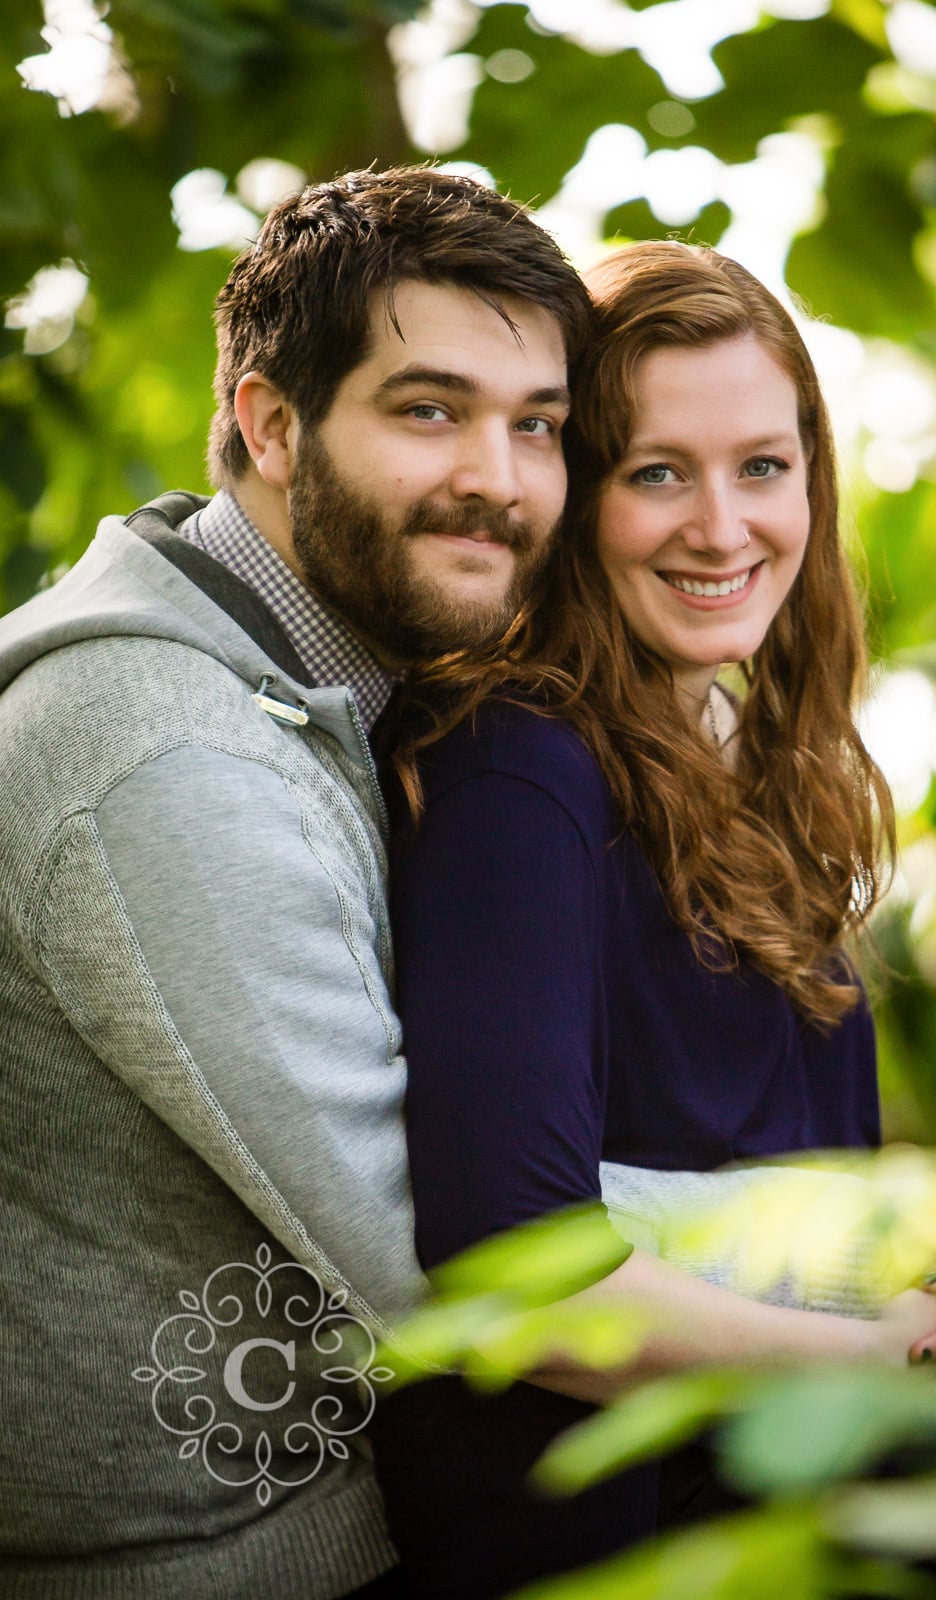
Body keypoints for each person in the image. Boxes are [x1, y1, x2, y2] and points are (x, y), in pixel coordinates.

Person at [371, 241, 936, 1598]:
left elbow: (786, 1184)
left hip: (788, 1485)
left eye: (764, 466)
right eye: (657, 472)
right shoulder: (524, 775)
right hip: (643, 1536)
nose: (723, 527)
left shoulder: (755, 767)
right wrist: (875, 1368)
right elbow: (522, 1272)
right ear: (575, 496)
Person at [0, 166, 592, 1599]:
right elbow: (455, 1249)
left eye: (541, 428)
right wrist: (853, 1260)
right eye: (429, 409)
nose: (499, 481)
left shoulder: (293, 686)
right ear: (270, 423)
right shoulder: (161, 754)